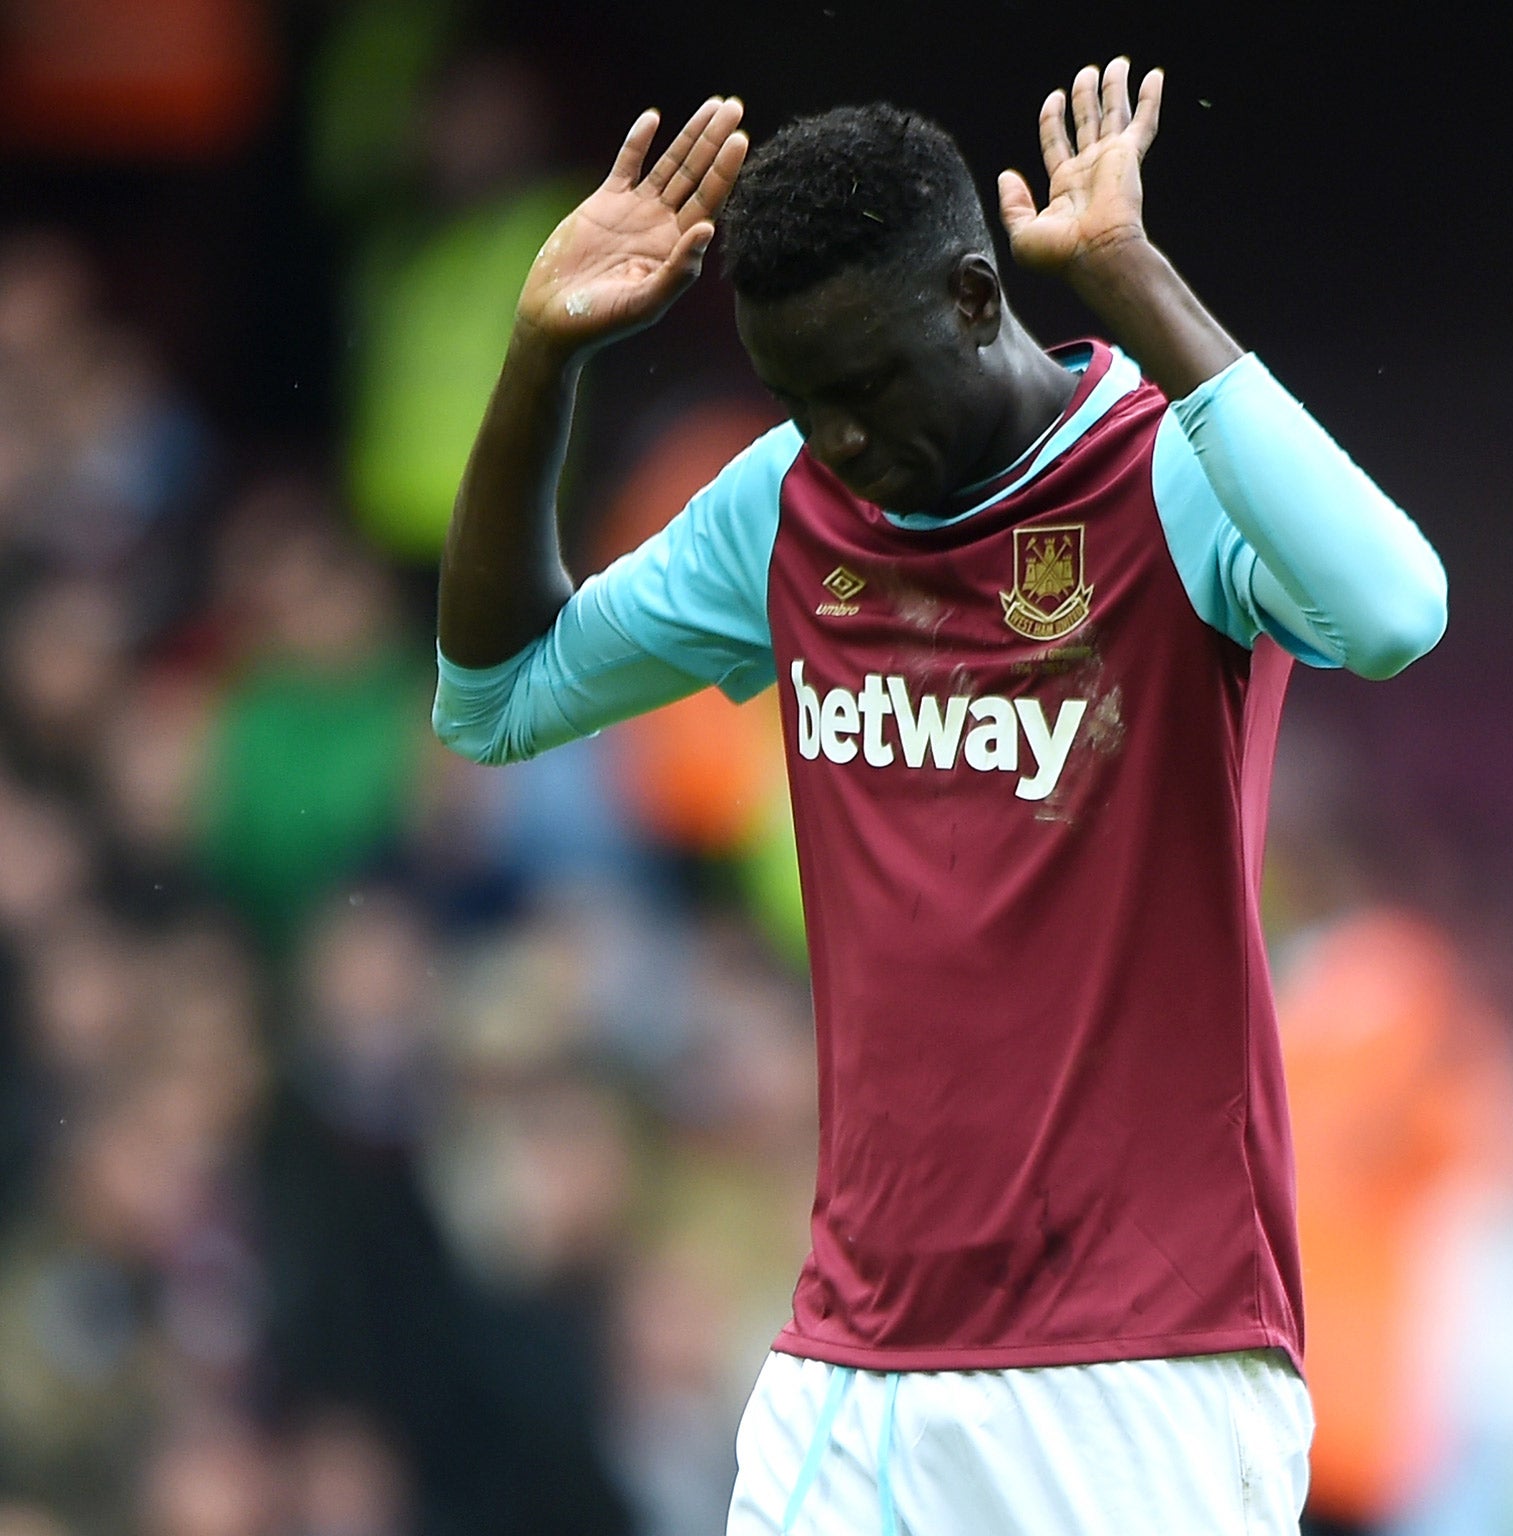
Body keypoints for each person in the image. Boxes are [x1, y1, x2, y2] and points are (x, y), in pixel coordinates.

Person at [433, 58, 1448, 1535]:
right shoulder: (785, 506)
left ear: (976, 299)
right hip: (850, 1372)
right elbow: (493, 698)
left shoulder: (1163, 476)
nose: (837, 438)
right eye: (797, 398)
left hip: (1141, 1371)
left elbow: (1396, 611)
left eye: (862, 388)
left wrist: (1135, 278)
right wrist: (541, 359)